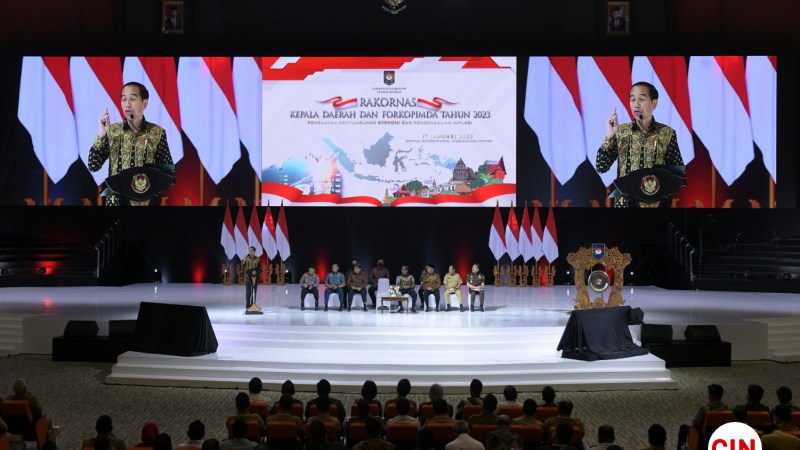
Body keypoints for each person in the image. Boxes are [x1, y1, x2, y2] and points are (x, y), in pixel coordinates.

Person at [597, 81, 684, 208]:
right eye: (632, 100)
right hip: (625, 205)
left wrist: (658, 193)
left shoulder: (667, 133)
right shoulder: (620, 132)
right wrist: (610, 135)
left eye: (641, 99)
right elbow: (601, 166)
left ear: (654, 103)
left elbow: (678, 174)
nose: (636, 105)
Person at [89, 82, 174, 206]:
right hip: (116, 202)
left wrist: (147, 187)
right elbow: (93, 165)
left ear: (144, 103)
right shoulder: (112, 131)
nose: (127, 104)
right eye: (124, 99)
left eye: (132, 99)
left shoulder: (157, 132)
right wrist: (101, 135)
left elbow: (168, 173)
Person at [677, 384, 728, 450]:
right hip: (720, 436)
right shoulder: (727, 408)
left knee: (683, 427)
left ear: (711, 396)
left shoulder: (705, 409)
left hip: (703, 437)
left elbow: (695, 424)